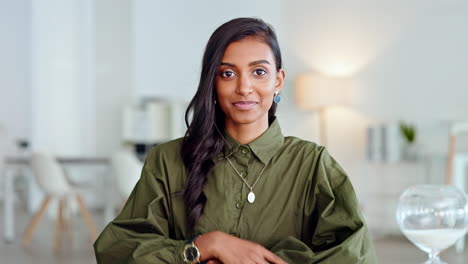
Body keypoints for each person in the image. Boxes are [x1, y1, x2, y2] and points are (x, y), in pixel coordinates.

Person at [94, 17, 377, 264]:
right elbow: (116, 249)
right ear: (213, 83)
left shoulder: (313, 164)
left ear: (278, 81)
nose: (244, 87)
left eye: (259, 72)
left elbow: (355, 254)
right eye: (228, 73)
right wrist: (202, 248)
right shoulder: (168, 160)